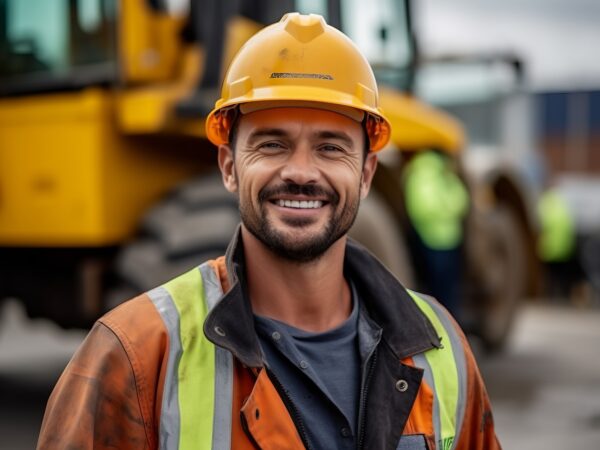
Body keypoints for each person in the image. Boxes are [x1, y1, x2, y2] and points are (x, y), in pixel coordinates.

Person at [38, 13, 500, 450]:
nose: (301, 171)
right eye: (272, 144)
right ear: (228, 166)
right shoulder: (135, 356)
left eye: (331, 147)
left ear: (365, 173)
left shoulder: (442, 349)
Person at [402, 150, 469, 322]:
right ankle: (443, 323)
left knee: (443, 289)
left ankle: (445, 323)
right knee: (442, 289)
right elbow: (426, 208)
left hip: (440, 240)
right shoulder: (426, 175)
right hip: (435, 240)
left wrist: (446, 208)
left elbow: (461, 202)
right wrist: (449, 208)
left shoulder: (432, 175)